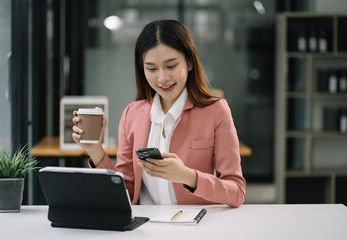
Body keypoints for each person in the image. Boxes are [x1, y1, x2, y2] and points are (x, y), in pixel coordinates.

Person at [72, 20, 246, 207]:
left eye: (171, 66)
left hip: (194, 227)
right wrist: (95, 151)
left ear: (189, 62)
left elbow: (236, 191)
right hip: (145, 228)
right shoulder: (132, 114)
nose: (162, 78)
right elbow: (127, 192)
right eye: (152, 69)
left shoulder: (215, 111)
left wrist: (188, 176)